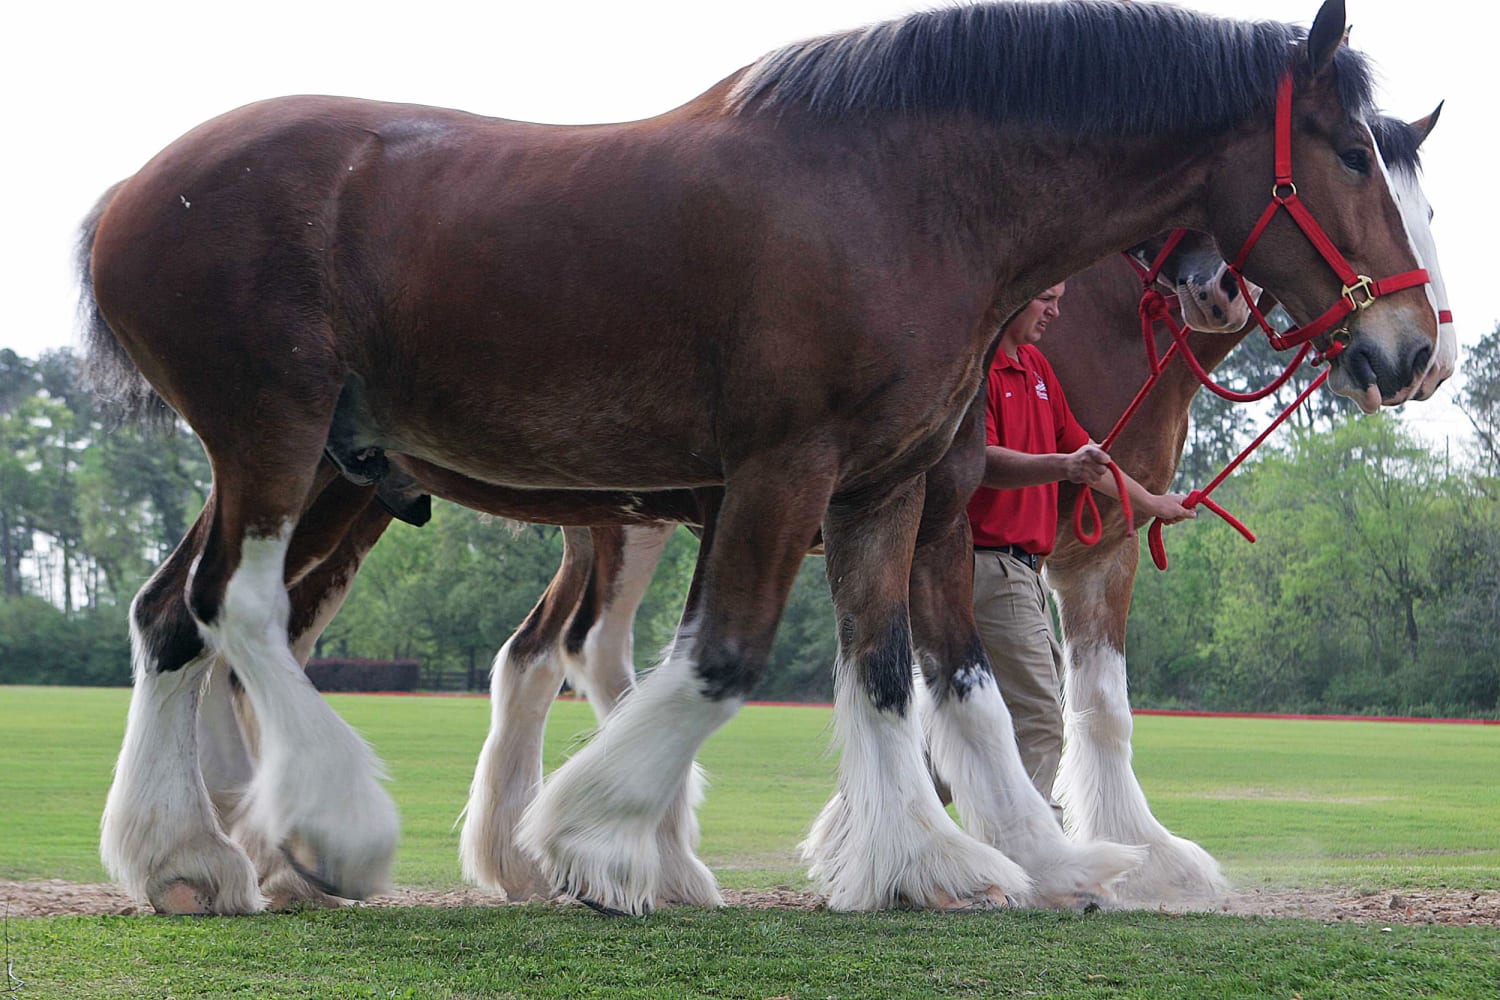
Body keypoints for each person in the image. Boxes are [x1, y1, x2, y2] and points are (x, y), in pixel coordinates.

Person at [967, 282, 1194, 824]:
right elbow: (983, 461)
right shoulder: (979, 373)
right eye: (1045, 297)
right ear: (1013, 297)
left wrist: (1154, 503)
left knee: (966, 719)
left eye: (1061, 298)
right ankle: (1027, 844)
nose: (1055, 310)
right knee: (1041, 718)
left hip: (1019, 571)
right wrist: (1061, 468)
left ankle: (903, 819)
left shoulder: (1040, 373)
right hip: (990, 564)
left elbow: (1094, 459)